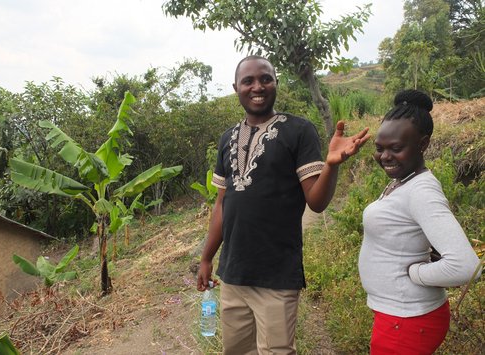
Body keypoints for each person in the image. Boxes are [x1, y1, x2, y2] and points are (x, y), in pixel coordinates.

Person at [197, 55, 370, 354]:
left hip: (277, 275)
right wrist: (206, 258)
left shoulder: (298, 131)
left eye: (265, 78)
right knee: (236, 350)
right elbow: (222, 205)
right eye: (248, 81)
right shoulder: (228, 139)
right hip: (234, 273)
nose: (257, 86)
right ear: (236, 87)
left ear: (276, 82)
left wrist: (332, 166)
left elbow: (316, 202)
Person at [358, 89, 482, 354]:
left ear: (423, 144)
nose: (385, 157)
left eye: (396, 148)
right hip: (398, 315)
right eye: (379, 148)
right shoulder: (403, 181)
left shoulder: (421, 191)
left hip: (408, 320)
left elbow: (466, 266)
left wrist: (416, 273)